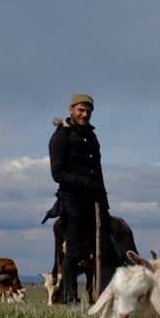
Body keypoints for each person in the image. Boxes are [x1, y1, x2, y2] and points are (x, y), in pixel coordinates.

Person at [49, 94, 120, 305]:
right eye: (81, 110)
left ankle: (105, 301)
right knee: (73, 252)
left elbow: (96, 170)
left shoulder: (91, 136)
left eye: (88, 111)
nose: (85, 114)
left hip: (95, 200)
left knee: (105, 252)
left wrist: (102, 194)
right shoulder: (60, 137)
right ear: (71, 110)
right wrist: (88, 184)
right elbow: (58, 174)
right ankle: (71, 301)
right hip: (72, 199)